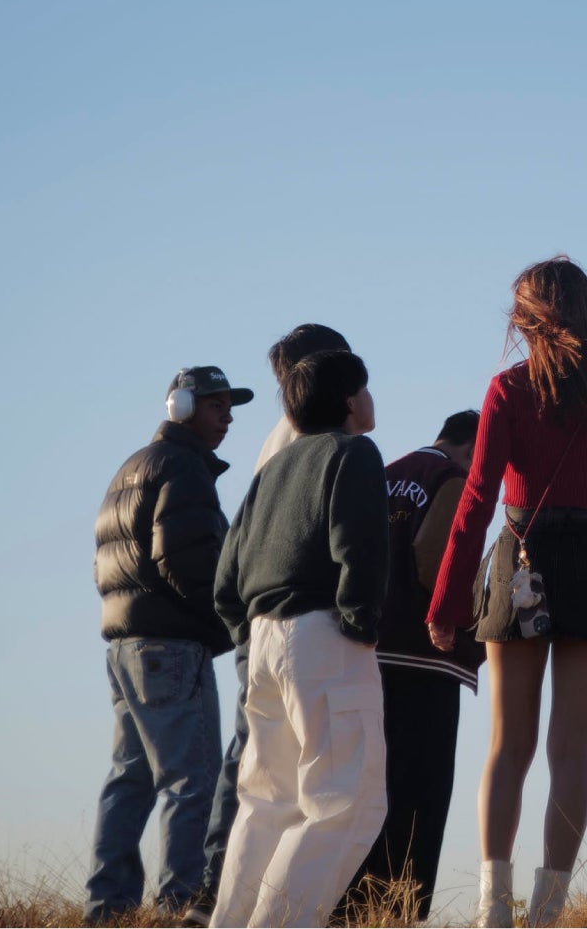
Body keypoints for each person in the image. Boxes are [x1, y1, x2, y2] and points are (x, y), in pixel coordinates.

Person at [425, 256, 587, 927]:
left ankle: (491, 908)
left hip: (519, 558)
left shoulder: (508, 388)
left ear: (530, 316)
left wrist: (446, 603)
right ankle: (546, 911)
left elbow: (476, 502)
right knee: (572, 750)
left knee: (507, 744)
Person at [209, 351, 389, 928]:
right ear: (348, 399)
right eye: (364, 387)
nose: (370, 398)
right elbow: (358, 550)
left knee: (265, 806)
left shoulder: (270, 471)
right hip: (323, 636)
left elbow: (225, 581)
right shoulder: (353, 453)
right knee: (343, 806)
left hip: (262, 640)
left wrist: (251, 639)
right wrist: (360, 626)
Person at [190, 323, 352, 927]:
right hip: (297, 625)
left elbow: (234, 553)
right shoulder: (321, 445)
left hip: (264, 626)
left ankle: (236, 902)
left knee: (265, 776)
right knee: (302, 784)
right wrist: (360, 618)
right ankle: (250, 900)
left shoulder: (280, 442)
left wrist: (243, 628)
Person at [86, 366, 252, 925]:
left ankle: (108, 909)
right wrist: (229, 616)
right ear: (180, 406)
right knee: (192, 780)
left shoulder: (132, 465)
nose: (226, 417)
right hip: (171, 649)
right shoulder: (184, 467)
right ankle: (179, 906)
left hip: (127, 647)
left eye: (230, 407)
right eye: (215, 405)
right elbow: (184, 559)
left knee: (128, 779)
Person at [333, 410, 486, 924]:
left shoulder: (386, 472)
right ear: (475, 446)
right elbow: (436, 556)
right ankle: (395, 910)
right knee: (420, 793)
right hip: (425, 658)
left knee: (371, 788)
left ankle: (348, 905)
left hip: (366, 652)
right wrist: (472, 623)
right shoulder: (452, 477)